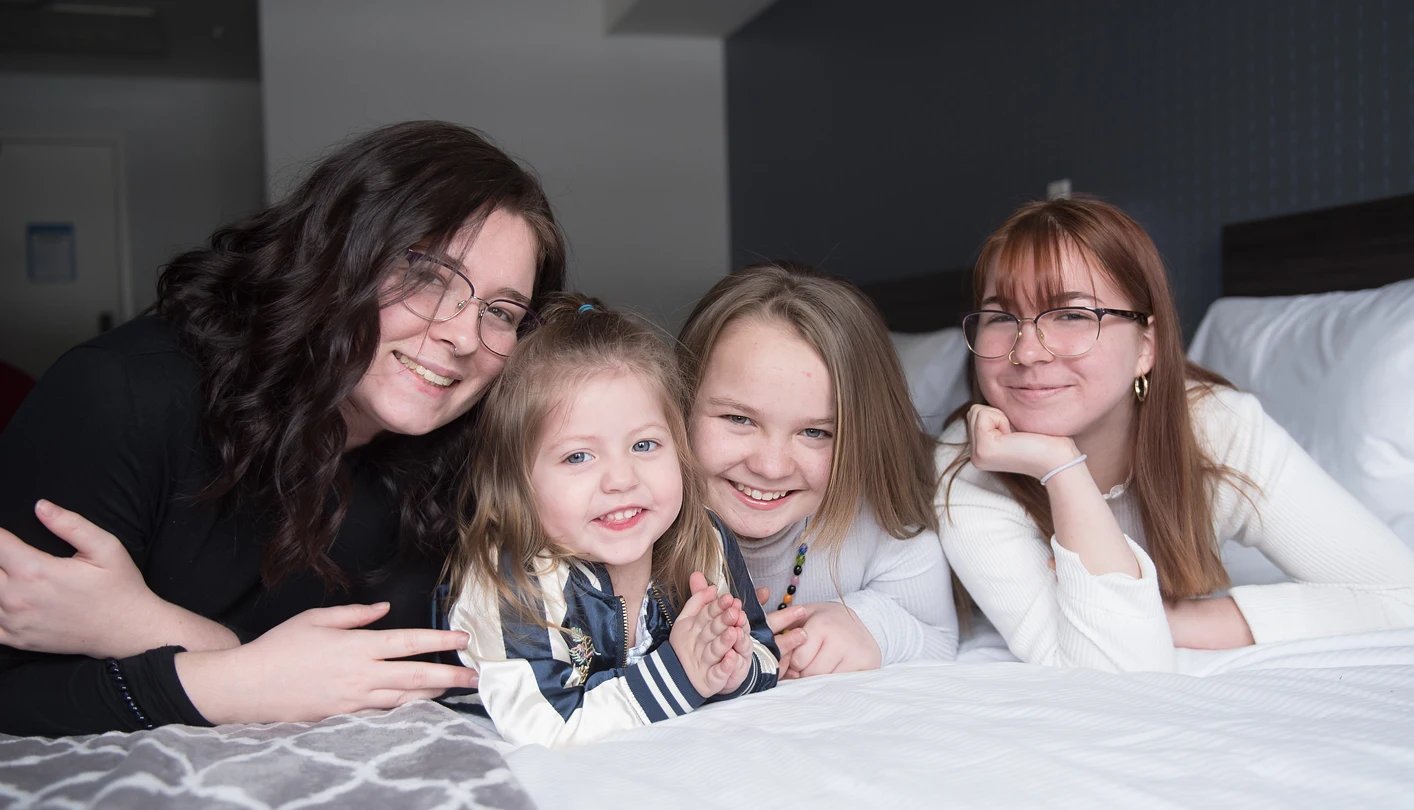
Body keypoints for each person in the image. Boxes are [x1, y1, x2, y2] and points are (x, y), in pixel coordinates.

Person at [0, 120, 566, 736]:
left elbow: (383, 680)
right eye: (429, 278)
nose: (462, 335)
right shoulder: (119, 395)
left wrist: (144, 629)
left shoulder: (465, 452)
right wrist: (249, 677)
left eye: (502, 312)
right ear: (335, 252)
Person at [937, 196, 1414, 672]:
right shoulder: (966, 469)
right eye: (1001, 317)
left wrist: (1175, 620)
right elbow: (1113, 670)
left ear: (1147, 345)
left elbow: (1400, 597)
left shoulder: (1218, 427)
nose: (1028, 352)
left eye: (1072, 315)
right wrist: (1060, 468)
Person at [445, 295, 778, 748]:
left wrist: (730, 668)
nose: (621, 480)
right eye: (578, 456)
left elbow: (764, 653)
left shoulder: (703, 539)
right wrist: (682, 672)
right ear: (518, 481)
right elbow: (549, 730)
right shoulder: (509, 576)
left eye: (644, 446)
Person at [677, 262, 957, 679]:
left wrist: (869, 625)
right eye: (739, 419)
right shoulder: (636, 519)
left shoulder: (882, 522)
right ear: (679, 403)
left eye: (814, 432)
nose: (770, 467)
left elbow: (937, 635)